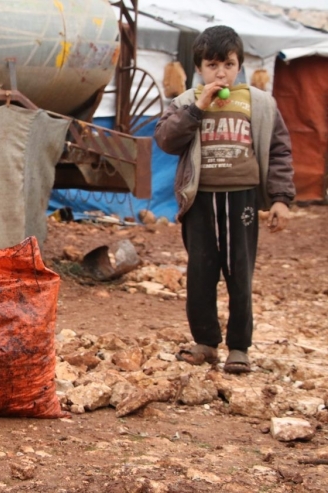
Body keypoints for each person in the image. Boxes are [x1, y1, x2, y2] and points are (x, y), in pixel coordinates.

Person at [153, 25, 295, 374]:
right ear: (199, 68)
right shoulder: (186, 102)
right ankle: (205, 342)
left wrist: (280, 199)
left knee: (239, 273)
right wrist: (198, 108)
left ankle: (239, 347)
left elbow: (279, 152)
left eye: (228, 64)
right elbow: (166, 141)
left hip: (242, 200)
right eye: (212, 65)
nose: (221, 72)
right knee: (201, 273)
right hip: (200, 200)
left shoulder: (259, 103)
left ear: (239, 65)